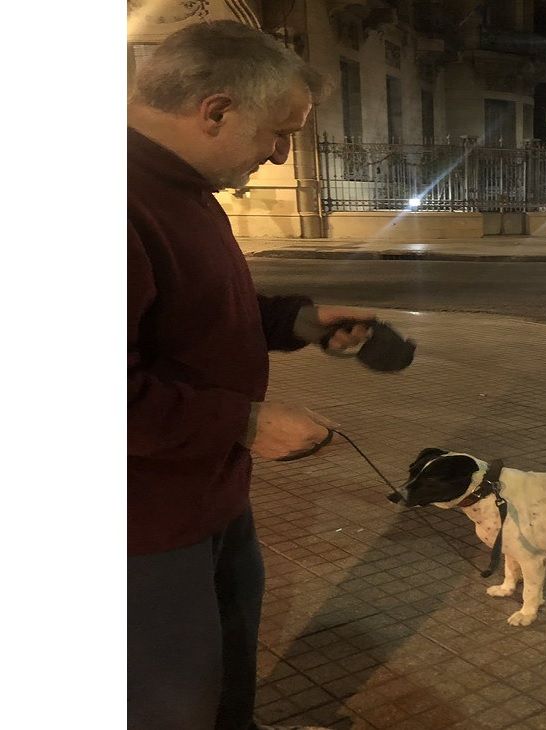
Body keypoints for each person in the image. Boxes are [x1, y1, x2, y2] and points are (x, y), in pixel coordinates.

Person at [128, 20, 370, 730]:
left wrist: (298, 321)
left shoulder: (184, 186)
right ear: (216, 110)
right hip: (141, 523)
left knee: (228, 663)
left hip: (211, 494)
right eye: (278, 131)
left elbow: (195, 312)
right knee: (171, 701)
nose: (280, 153)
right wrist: (246, 422)